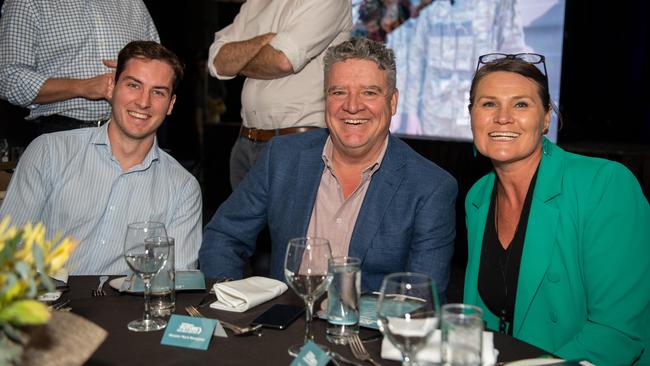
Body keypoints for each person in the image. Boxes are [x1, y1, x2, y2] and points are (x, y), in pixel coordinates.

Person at [200, 38, 457, 296]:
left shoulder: (430, 187)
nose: (353, 106)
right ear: (325, 99)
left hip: (367, 333)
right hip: (284, 328)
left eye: (369, 92)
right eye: (338, 92)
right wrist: (232, 302)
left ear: (392, 102)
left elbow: (421, 297)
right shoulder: (282, 158)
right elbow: (223, 236)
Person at [463, 54, 650, 365]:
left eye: (521, 104)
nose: (503, 117)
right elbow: (484, 322)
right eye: (488, 104)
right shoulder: (477, 197)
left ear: (546, 118)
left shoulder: (604, 185)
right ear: (472, 116)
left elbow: (616, 333)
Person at [0, 41, 202, 275]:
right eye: (133, 85)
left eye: (158, 92)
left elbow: (176, 278)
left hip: (128, 310)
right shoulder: (49, 152)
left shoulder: (183, 188)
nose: (144, 102)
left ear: (171, 104)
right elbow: (8, 247)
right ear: (113, 87)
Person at [207, 0, 352, 189]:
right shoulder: (255, 3)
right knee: (239, 218)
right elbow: (218, 61)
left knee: (293, 219)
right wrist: (264, 40)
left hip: (299, 141)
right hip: (246, 139)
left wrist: (239, 63)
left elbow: (282, 61)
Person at [0, 0, 159, 135]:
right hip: (63, 133)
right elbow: (7, 78)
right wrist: (81, 87)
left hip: (133, 131)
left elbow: (159, 66)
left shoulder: (133, 3)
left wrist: (138, 70)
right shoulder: (29, 2)